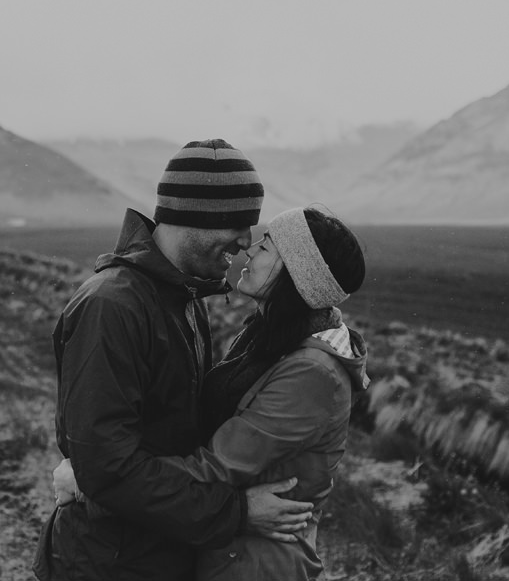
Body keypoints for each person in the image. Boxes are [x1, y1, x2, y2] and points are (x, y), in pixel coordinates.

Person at [32, 140, 315, 581]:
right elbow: (109, 468)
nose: (245, 243)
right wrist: (236, 513)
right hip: (110, 564)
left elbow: (175, 436)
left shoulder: (184, 298)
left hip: (159, 552)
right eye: (239, 225)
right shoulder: (112, 307)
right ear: (197, 217)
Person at [54, 206, 370, 580]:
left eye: (266, 245)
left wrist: (96, 482)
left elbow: (217, 467)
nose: (249, 250)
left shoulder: (312, 373)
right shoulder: (265, 340)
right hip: (227, 551)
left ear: (297, 275)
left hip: (257, 564)